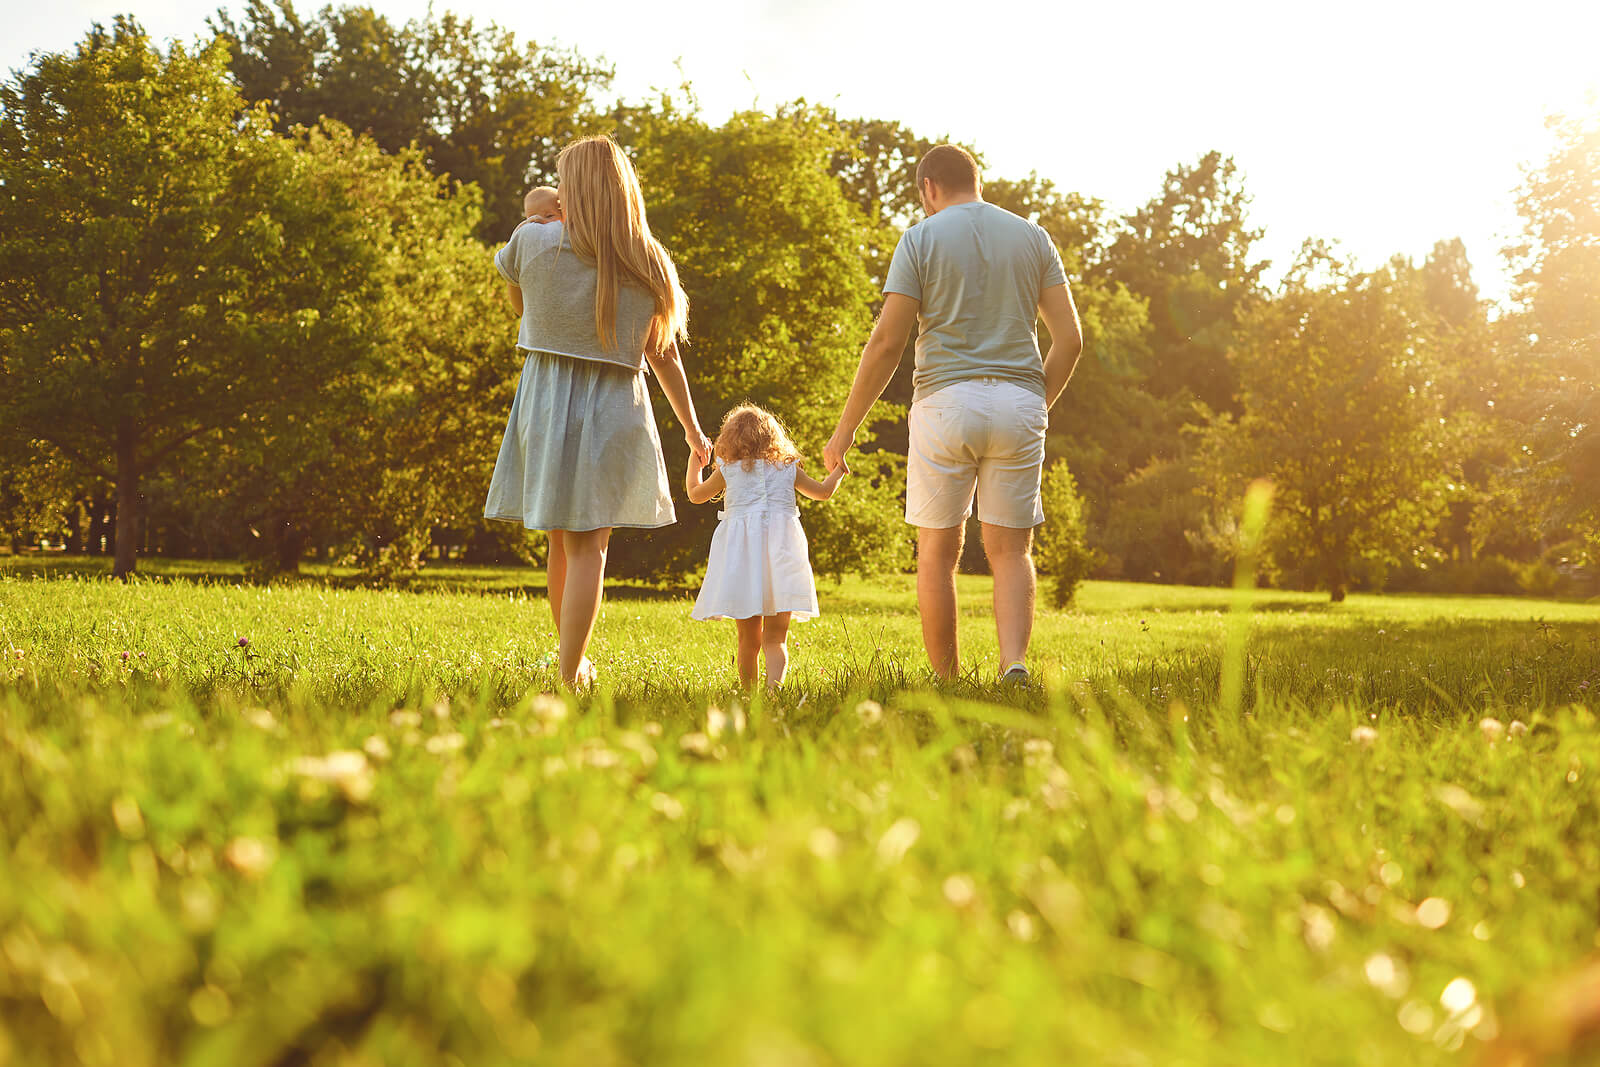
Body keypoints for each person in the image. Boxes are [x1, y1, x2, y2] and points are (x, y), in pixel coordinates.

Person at [823, 144, 1085, 685]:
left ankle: (947, 680)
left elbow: (886, 343)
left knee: (937, 552)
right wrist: (1037, 405)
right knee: (1011, 549)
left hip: (944, 403)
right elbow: (1070, 339)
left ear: (929, 189)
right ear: (977, 182)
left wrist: (844, 432)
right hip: (1018, 402)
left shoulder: (920, 238)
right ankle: (1013, 662)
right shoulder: (1033, 237)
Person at [485, 136, 711, 689]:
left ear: (574, 188)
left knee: (561, 538)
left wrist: (537, 221)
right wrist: (692, 429)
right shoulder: (647, 257)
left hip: (546, 398)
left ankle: (569, 664)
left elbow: (518, 303)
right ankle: (571, 665)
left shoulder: (534, 242)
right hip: (615, 404)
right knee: (589, 545)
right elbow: (664, 354)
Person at [686, 404, 847, 689]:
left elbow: (696, 495)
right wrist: (838, 471)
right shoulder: (787, 468)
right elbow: (822, 493)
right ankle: (775, 691)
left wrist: (694, 461)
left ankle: (750, 695)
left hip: (742, 561)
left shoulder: (728, 470)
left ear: (731, 438)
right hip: (782, 560)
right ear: (775, 437)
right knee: (776, 639)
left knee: (748, 640)